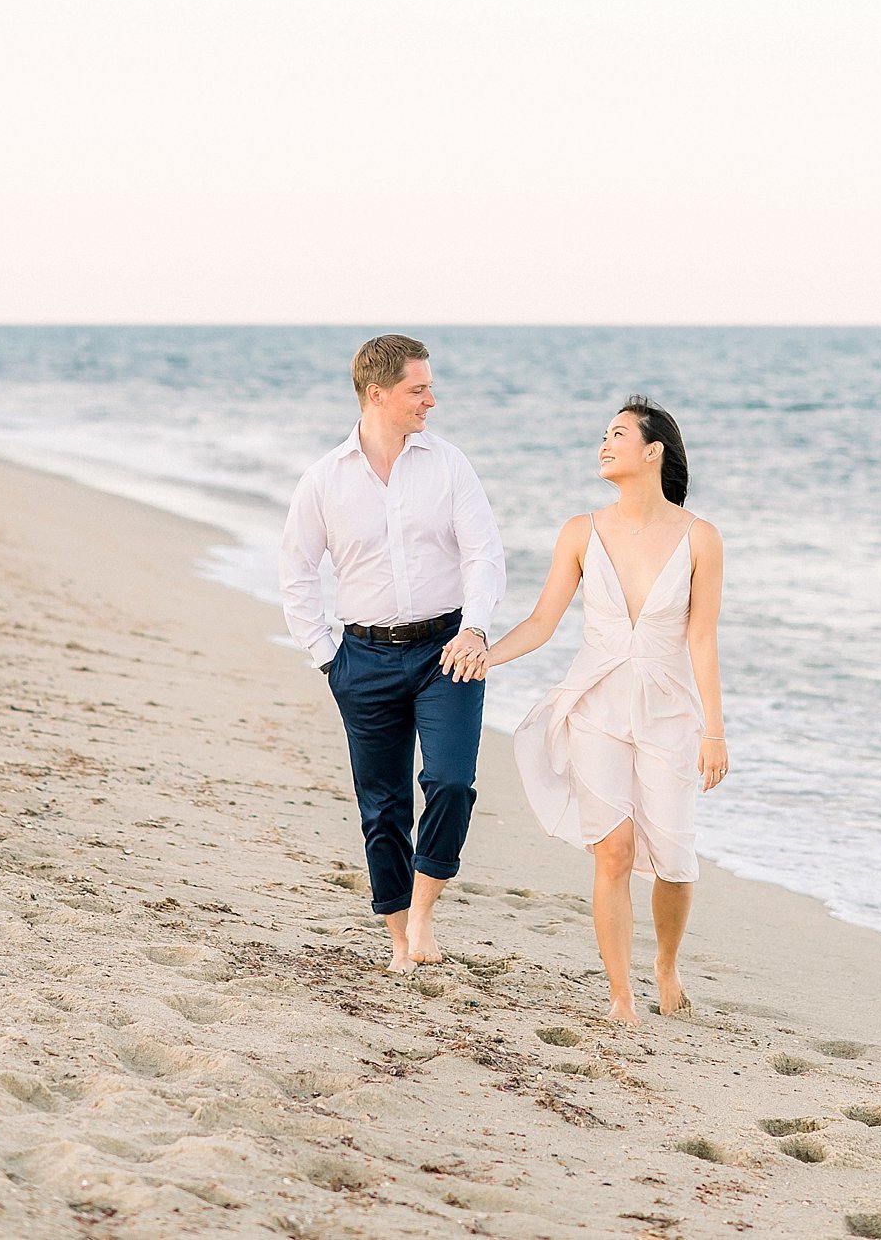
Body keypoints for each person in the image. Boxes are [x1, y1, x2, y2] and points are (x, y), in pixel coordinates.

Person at [442, 395, 726, 1025]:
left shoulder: (700, 538)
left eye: (618, 434)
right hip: (595, 705)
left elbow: (702, 638)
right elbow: (543, 621)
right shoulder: (579, 531)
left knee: (674, 861)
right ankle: (621, 995)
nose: (604, 443)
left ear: (652, 451)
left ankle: (667, 967)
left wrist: (715, 730)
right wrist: (485, 651)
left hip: (669, 714)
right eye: (603, 433)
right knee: (614, 850)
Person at [280, 335, 505, 974]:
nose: (431, 400)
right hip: (364, 659)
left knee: (452, 783)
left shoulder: (449, 464)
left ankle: (426, 911)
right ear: (377, 395)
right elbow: (296, 572)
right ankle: (399, 935)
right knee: (382, 808)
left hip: (449, 650)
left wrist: (477, 629)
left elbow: (483, 553)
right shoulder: (324, 479)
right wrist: (328, 658)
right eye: (418, 390)